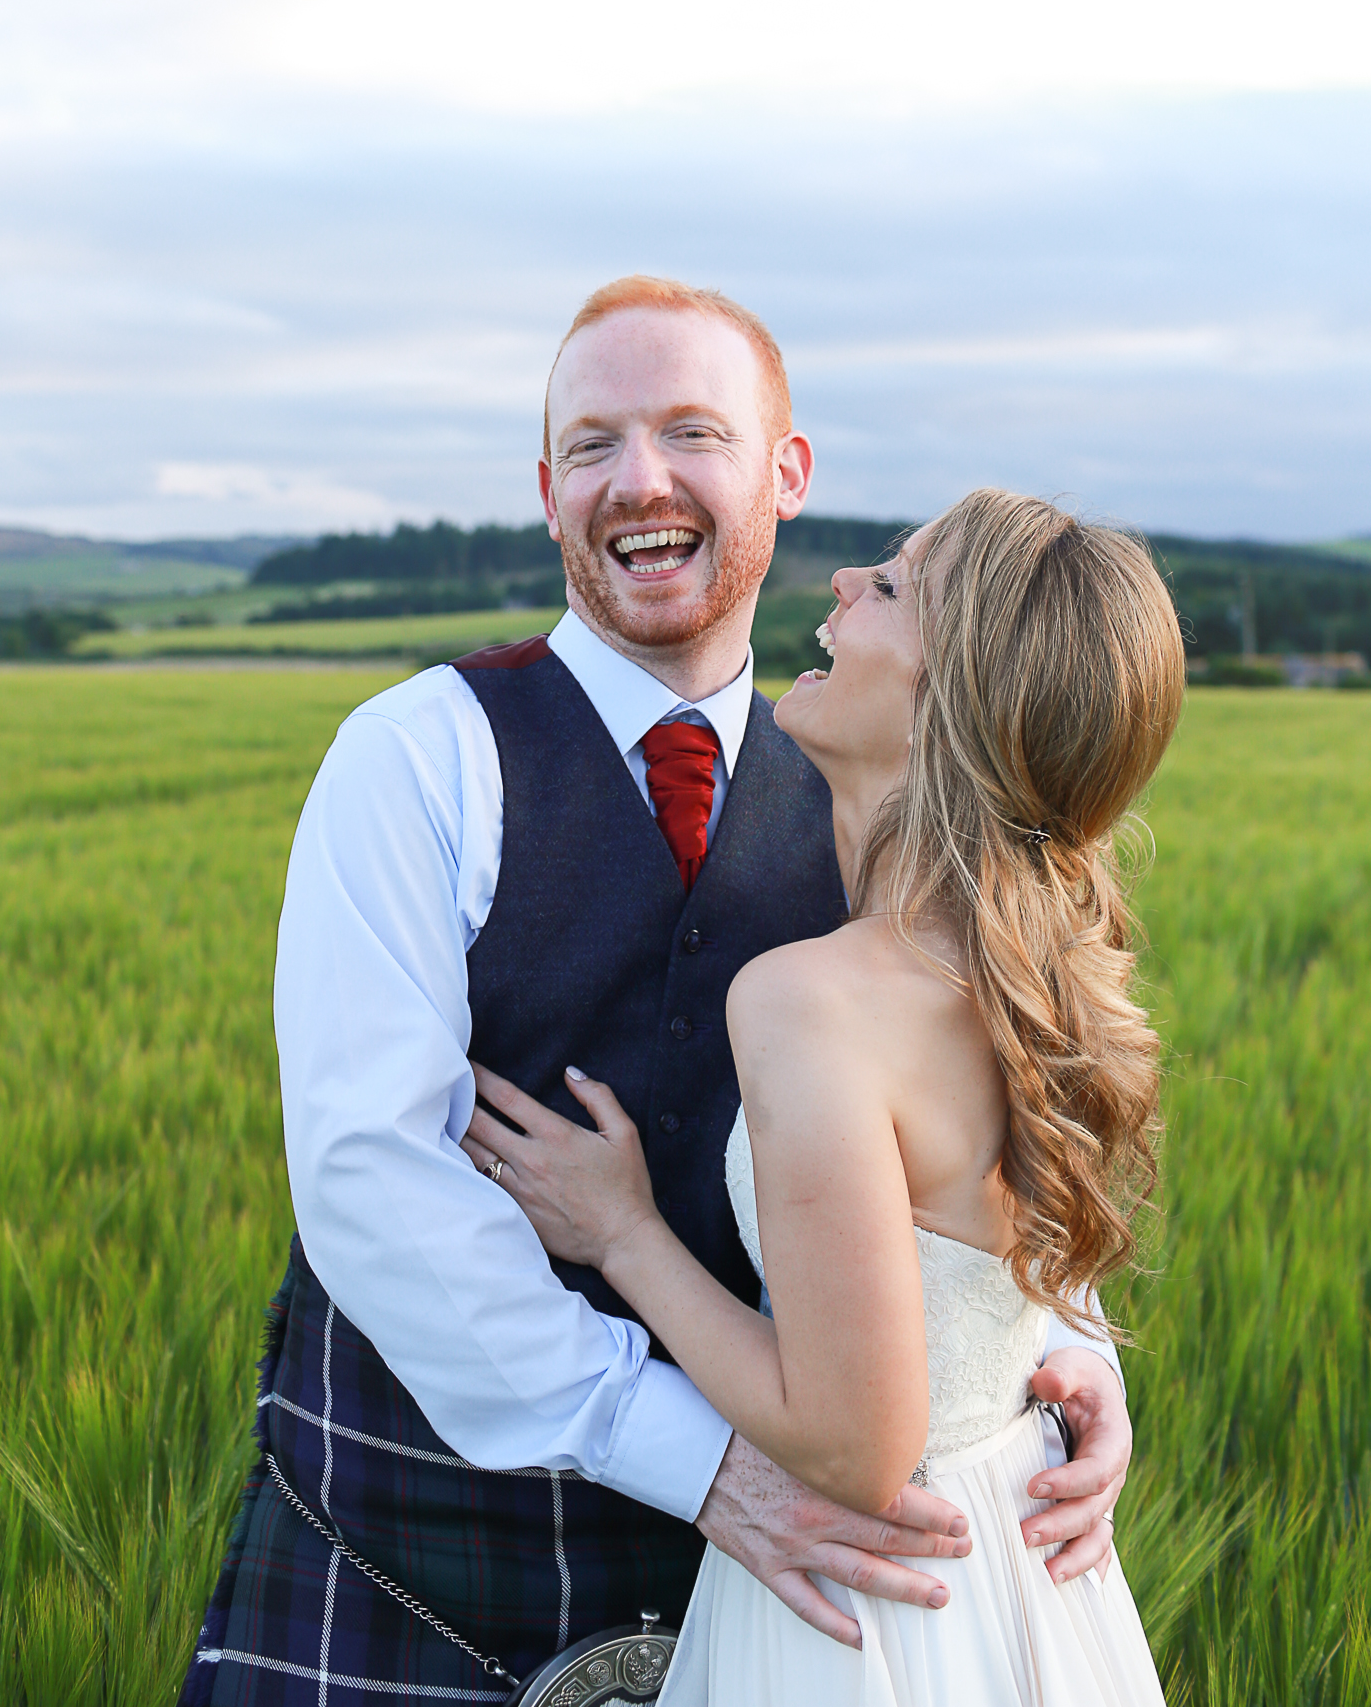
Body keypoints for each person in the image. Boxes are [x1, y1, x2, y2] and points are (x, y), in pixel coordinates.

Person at [181, 281, 1131, 1706]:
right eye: (589, 445)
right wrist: (695, 1460)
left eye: (693, 432)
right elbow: (369, 1170)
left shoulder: (879, 783)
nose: (639, 482)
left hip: (791, 1572)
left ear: (783, 473)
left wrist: (1046, 1340)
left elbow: (982, 1071)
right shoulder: (413, 757)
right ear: (547, 492)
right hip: (415, 1553)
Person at [460, 488, 1182, 1704]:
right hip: (1021, 1575)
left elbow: (855, 1444)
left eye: (893, 586)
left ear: (951, 699)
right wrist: (1083, 1362)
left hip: (873, 1610)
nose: (844, 581)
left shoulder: (813, 998)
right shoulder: (1027, 962)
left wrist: (623, 1233)